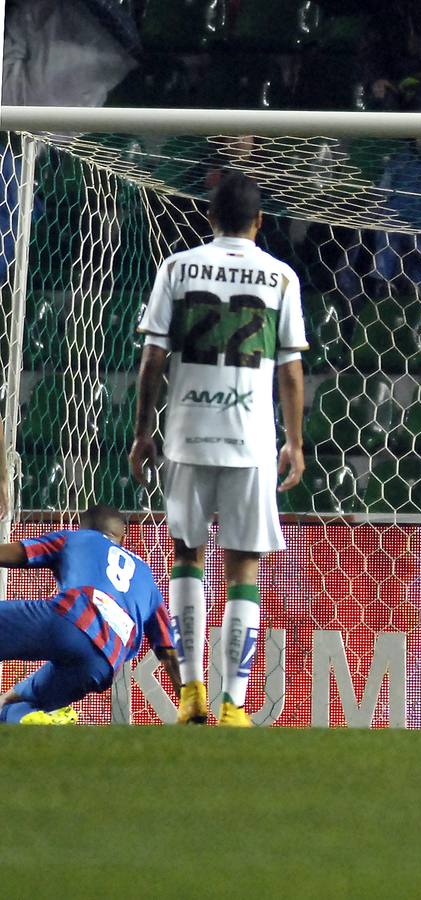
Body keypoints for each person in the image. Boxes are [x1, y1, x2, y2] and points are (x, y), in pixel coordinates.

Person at [131, 172, 308, 728]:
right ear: (260, 222)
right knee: (243, 566)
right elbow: (292, 370)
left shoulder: (177, 268)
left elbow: (153, 360)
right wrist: (295, 441)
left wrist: (142, 433)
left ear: (209, 218)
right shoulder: (281, 276)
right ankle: (233, 703)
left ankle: (190, 694)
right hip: (250, 440)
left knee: (187, 555)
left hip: (186, 433)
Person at [0, 505, 180, 724]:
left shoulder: (76, 538)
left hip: (71, 619)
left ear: (82, 527)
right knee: (11, 705)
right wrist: (189, 702)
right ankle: (33, 720)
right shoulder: (148, 580)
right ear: (122, 539)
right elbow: (168, 651)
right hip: (103, 663)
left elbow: (17, 555)